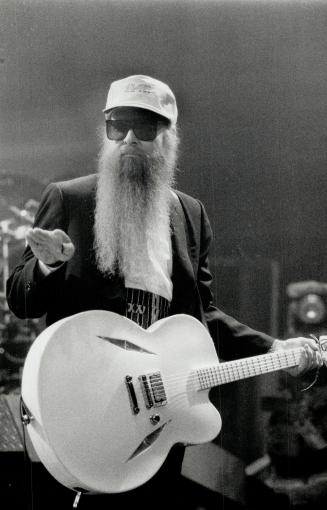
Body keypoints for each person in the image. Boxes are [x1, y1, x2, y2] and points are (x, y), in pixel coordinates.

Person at [6, 75, 323, 509]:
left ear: (169, 137)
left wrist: (274, 348)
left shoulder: (189, 214)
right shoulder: (70, 199)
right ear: (106, 132)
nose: (131, 139)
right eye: (118, 126)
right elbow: (21, 301)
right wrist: (48, 264)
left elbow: (203, 317)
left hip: (157, 416)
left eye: (146, 127)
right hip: (81, 412)